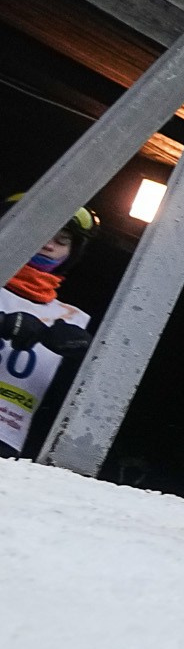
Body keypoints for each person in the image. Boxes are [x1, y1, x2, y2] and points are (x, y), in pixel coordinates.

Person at [0, 197, 96, 459]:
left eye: (62, 240)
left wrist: (86, 359)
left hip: (7, 443)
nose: (47, 244)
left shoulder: (74, 319)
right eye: (40, 229)